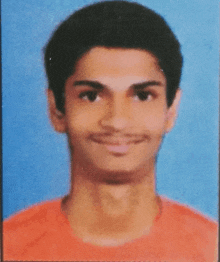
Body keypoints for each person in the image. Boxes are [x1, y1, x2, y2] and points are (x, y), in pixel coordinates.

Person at [3, 1, 217, 261]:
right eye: (91, 96)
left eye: (142, 95)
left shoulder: (211, 248)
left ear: (170, 110)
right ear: (56, 110)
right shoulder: (9, 247)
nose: (117, 121)